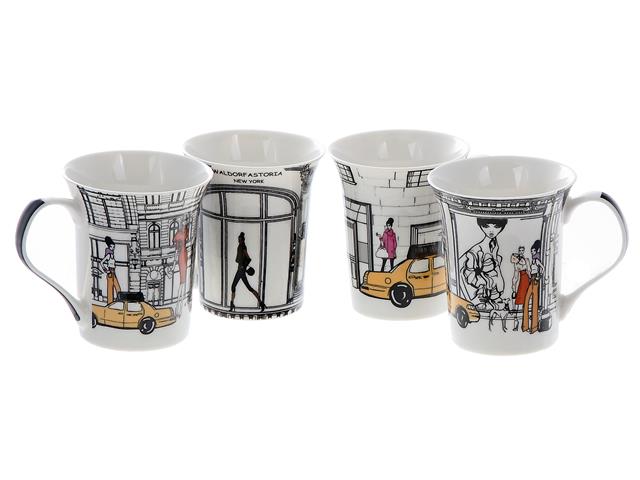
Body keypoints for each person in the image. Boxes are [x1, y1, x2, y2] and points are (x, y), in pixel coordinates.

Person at [459, 217, 507, 309]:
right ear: (481, 226)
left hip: (493, 290)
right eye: (486, 226)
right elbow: (467, 273)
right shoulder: (476, 250)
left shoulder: (495, 250)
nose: (491, 230)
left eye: (496, 227)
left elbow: (499, 282)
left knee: (500, 306)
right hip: (481, 289)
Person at [230, 232, 266, 312]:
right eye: (238, 239)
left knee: (234, 286)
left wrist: (243, 266)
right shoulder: (240, 246)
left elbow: (249, 258)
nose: (239, 241)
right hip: (240, 270)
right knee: (248, 288)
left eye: (240, 240)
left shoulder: (243, 246)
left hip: (241, 271)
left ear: (243, 240)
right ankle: (261, 303)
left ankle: (232, 304)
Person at [523, 240, 544, 334]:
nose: (532, 253)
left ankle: (533, 327)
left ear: (536, 251)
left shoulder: (536, 260)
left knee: (534, 303)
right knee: (526, 300)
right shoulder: (532, 260)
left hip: (535, 280)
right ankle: (525, 326)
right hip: (531, 280)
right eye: (531, 251)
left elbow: (543, 268)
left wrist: (539, 276)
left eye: (533, 251)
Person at [172, 216, 190, 316]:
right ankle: (179, 308)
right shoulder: (179, 234)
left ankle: (180, 307)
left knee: (184, 281)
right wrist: (174, 264)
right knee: (182, 281)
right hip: (182, 256)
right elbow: (177, 250)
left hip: (184, 254)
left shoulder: (183, 232)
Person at [100, 236, 121, 304]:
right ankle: (110, 304)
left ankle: (119, 301)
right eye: (112, 247)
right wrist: (106, 270)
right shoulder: (108, 255)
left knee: (118, 288)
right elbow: (101, 262)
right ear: (109, 247)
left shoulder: (112, 255)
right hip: (110, 273)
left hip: (113, 272)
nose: (113, 248)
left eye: (114, 247)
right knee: (110, 289)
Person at [510, 246, 530, 310]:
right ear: (518, 251)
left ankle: (526, 308)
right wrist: (513, 285)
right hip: (522, 279)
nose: (521, 252)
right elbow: (515, 275)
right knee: (521, 294)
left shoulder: (526, 260)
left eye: (522, 250)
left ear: (524, 251)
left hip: (527, 278)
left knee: (527, 294)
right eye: (520, 250)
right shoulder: (516, 263)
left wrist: (530, 278)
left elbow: (529, 270)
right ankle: (519, 309)